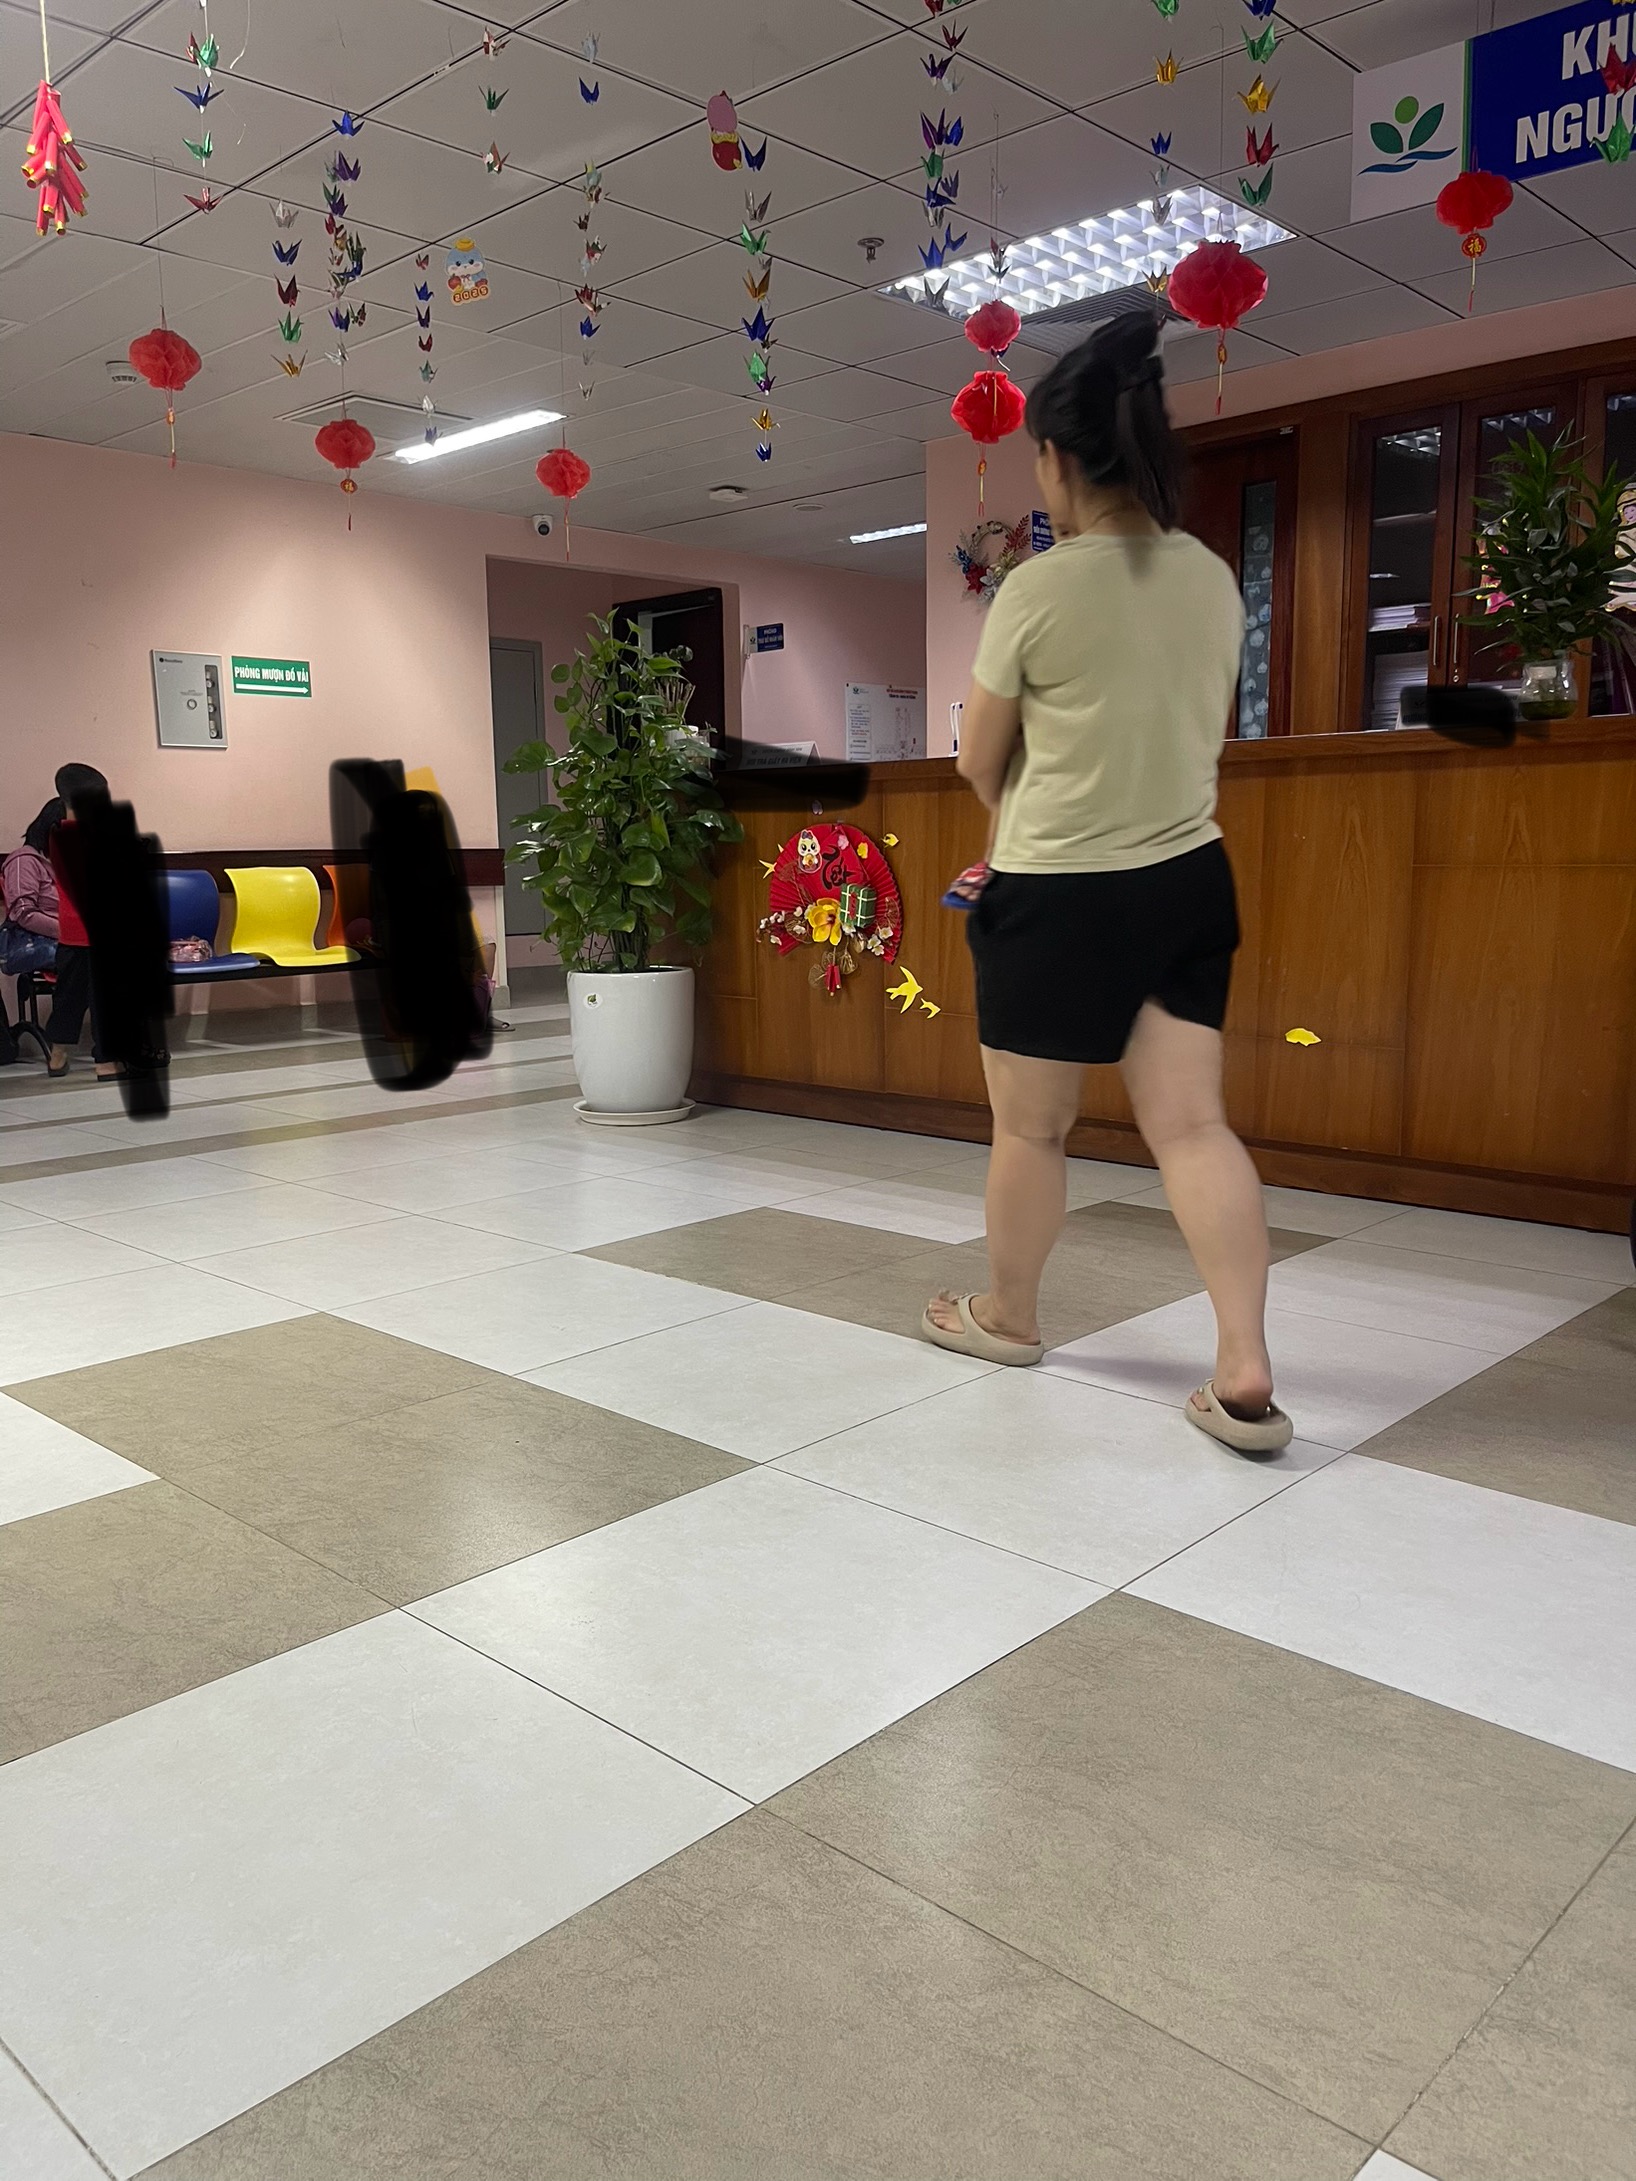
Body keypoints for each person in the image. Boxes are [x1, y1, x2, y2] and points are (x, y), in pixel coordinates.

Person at [920, 311, 1292, 1458]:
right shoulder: (1213, 580)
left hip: (1057, 892)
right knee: (1192, 1126)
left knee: (1032, 1130)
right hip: (1186, 879)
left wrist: (1028, 800)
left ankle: (1009, 1316)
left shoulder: (1037, 588)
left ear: (1055, 459)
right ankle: (1242, 1366)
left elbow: (979, 759)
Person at [45, 762, 118, 1081]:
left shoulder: (56, 835)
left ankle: (57, 1055)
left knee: (68, 997)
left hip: (70, 933)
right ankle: (106, 1062)